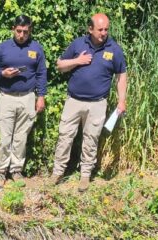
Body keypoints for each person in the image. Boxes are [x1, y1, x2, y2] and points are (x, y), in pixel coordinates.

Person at [49, 13, 127, 192]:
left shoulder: (114, 49)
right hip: (74, 101)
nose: (104, 33)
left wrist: (122, 101)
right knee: (64, 136)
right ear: (90, 29)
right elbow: (59, 65)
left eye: (106, 29)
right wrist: (78, 61)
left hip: (98, 104)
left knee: (91, 139)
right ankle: (57, 173)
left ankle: (85, 176)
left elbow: (121, 75)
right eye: (100, 29)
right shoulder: (78, 44)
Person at [0, 15, 48, 189]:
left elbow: (42, 74)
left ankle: (16, 170)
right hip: (6, 97)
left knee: (21, 137)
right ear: (13, 29)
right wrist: (2, 74)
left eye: (25, 32)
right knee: (4, 137)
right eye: (19, 31)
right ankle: (0, 172)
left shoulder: (36, 48)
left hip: (27, 98)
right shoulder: (2, 48)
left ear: (30, 30)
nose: (22, 35)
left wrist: (40, 96)